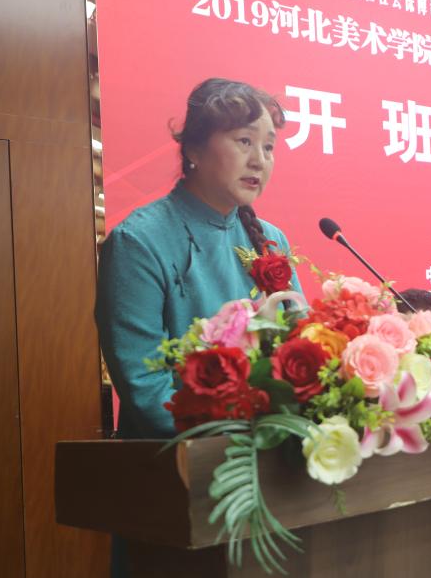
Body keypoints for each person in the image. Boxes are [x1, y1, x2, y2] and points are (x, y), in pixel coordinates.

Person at [96, 78, 303, 441]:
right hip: (178, 458)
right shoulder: (139, 241)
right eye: (244, 141)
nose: (259, 160)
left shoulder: (273, 241)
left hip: (268, 452)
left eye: (268, 147)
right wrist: (245, 437)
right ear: (194, 149)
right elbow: (147, 389)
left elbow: (299, 349)